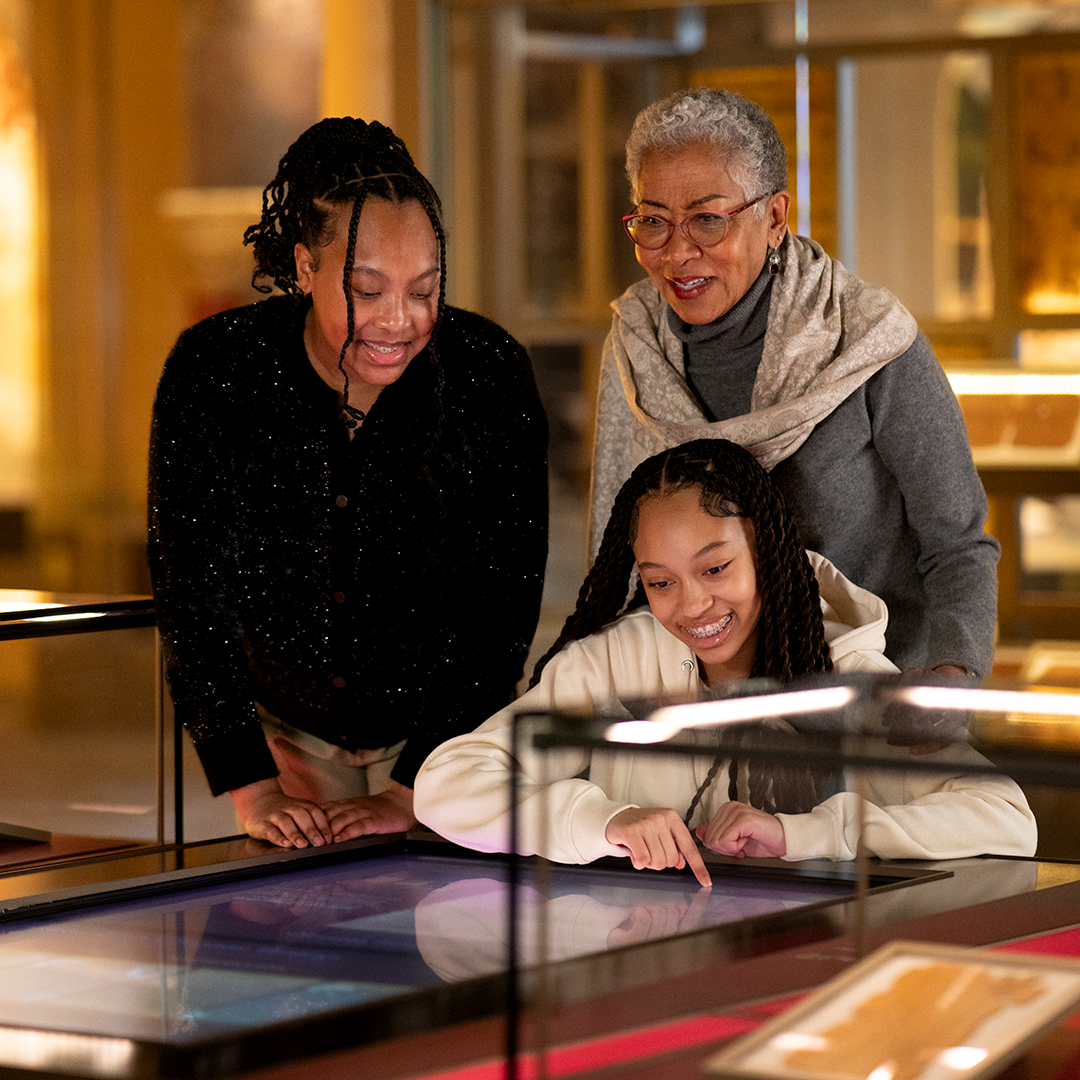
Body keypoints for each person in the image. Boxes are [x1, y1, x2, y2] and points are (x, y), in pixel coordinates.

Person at [148, 117, 548, 850]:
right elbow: (191, 590)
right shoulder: (218, 371)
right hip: (283, 742)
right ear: (305, 266)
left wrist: (414, 785)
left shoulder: (487, 372)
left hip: (448, 738)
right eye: (367, 289)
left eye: (425, 290)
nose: (398, 321)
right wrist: (253, 783)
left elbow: (502, 602)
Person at [413, 440, 1036, 886]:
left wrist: (803, 836)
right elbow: (448, 782)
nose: (693, 605)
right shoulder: (610, 664)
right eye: (660, 583)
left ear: (766, 551)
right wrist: (605, 821)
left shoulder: (847, 678)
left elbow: (1007, 819)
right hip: (635, 967)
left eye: (715, 569)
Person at [590, 86, 999, 683]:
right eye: (653, 221)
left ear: (774, 217)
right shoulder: (634, 346)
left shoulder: (867, 340)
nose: (677, 252)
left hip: (874, 689)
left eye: (707, 219)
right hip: (702, 694)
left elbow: (957, 543)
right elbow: (617, 554)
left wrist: (952, 674)